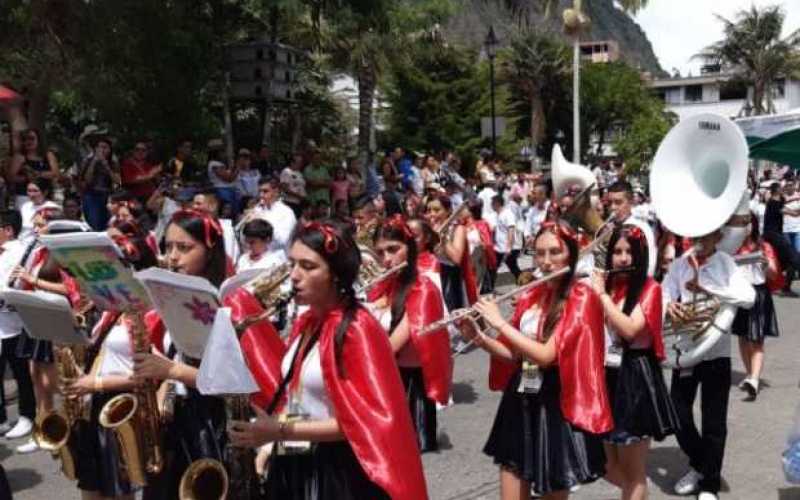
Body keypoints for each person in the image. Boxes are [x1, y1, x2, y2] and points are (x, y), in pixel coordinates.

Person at [228, 220, 428, 500]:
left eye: (308, 267)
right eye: (293, 264)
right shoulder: (308, 322)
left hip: (337, 473)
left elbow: (362, 422)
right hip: (298, 460)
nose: (294, 276)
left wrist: (279, 429)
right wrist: (266, 443)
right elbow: (305, 404)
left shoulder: (356, 328)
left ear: (336, 275)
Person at [459, 220, 612, 499]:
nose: (546, 261)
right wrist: (479, 336)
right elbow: (515, 356)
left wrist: (498, 322)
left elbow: (546, 355)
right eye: (540, 253)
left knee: (552, 488)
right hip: (522, 394)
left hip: (555, 402)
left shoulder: (581, 296)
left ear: (571, 254)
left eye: (555, 252)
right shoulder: (533, 293)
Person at [133, 210, 229, 500]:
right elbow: (176, 358)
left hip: (211, 429)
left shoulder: (226, 303)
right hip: (176, 425)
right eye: (169, 246)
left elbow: (230, 383)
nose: (173, 257)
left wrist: (171, 372)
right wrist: (163, 386)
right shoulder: (171, 296)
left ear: (210, 251)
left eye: (185, 248)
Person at [66, 220, 157, 500]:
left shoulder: (149, 310)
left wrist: (97, 383)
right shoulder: (107, 306)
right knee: (91, 490)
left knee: (119, 492)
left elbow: (154, 375)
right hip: (93, 404)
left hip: (121, 406)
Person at [663, 229, 756, 500]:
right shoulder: (681, 263)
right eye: (696, 235)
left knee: (713, 421)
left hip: (717, 352)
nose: (699, 241)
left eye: (707, 235)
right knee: (677, 414)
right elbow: (664, 293)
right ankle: (702, 465)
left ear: (718, 236)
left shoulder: (725, 263)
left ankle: (709, 484)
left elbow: (748, 297)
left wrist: (707, 288)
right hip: (686, 348)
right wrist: (669, 305)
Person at [590, 224, 679, 500]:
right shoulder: (610, 285)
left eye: (630, 252)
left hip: (635, 378)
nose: (624, 258)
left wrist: (601, 295)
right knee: (605, 464)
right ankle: (637, 492)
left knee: (633, 471)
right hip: (607, 375)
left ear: (641, 255)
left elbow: (630, 329)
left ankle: (636, 491)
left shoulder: (650, 289)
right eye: (617, 251)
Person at [367, 215, 452, 452]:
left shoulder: (422, 287)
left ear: (410, 248)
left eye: (393, 250)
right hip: (389, 374)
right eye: (381, 253)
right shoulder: (385, 285)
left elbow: (393, 344)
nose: (386, 259)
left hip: (410, 380)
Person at [732, 213, 782, 401]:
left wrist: (765, 264)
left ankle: (754, 378)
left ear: (753, 225)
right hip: (739, 294)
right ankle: (749, 374)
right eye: (739, 224)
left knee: (757, 338)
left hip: (759, 293)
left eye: (746, 223)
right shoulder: (733, 247)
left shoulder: (764, 246)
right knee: (743, 337)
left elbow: (774, 274)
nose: (743, 227)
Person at [0, 211, 37, 441]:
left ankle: (27, 415)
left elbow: (16, 284)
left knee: (21, 372)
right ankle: (2, 418)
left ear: (8, 231)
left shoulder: (19, 250)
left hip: (14, 322)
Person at [424, 194, 478, 311]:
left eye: (437, 210)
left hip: (452, 281)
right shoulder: (428, 231)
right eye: (429, 211)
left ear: (448, 211)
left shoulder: (458, 229)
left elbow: (456, 258)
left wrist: (442, 237)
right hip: (434, 278)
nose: (432, 214)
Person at [607, 181, 657, 277]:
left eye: (618, 202)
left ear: (631, 202)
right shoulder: (607, 228)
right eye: (609, 203)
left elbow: (649, 266)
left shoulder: (642, 229)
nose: (612, 207)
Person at [8, 128, 60, 209]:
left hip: (46, 196)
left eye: (31, 138)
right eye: (24, 139)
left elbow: (56, 174)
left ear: (38, 140)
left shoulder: (48, 155)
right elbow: (10, 177)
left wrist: (38, 174)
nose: (28, 142)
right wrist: (26, 178)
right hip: (25, 197)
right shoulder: (19, 157)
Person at [247, 177, 297, 256]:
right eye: (259, 191)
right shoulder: (258, 209)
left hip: (278, 259)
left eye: (265, 191)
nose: (261, 195)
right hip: (259, 257)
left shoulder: (287, 212)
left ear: (276, 192)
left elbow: (283, 241)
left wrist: (261, 220)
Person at [78, 136, 120, 231]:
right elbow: (86, 179)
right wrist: (94, 162)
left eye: (105, 147)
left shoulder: (113, 163)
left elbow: (117, 181)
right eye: (100, 147)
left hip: (108, 196)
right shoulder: (88, 161)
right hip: (92, 196)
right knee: (94, 224)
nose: (102, 150)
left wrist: (106, 165)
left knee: (108, 224)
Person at [491, 195, 522, 284]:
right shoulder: (498, 215)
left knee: (513, 268)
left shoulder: (507, 214)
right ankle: (489, 288)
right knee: (494, 268)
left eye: (492, 203)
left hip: (508, 248)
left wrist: (508, 247)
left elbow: (511, 230)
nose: (491, 205)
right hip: (499, 248)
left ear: (497, 203)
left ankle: (524, 283)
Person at [120, 139, 161, 205]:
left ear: (147, 152)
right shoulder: (127, 164)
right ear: (133, 151)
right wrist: (150, 175)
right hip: (135, 199)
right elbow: (131, 180)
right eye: (137, 149)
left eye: (143, 150)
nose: (140, 152)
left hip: (151, 198)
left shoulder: (149, 165)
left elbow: (157, 182)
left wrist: (157, 176)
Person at [280, 154, 307, 218]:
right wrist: (298, 196)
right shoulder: (286, 171)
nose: (301, 164)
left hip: (299, 203)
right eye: (299, 162)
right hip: (289, 202)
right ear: (292, 162)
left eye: (301, 162)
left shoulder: (299, 173)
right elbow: (284, 188)